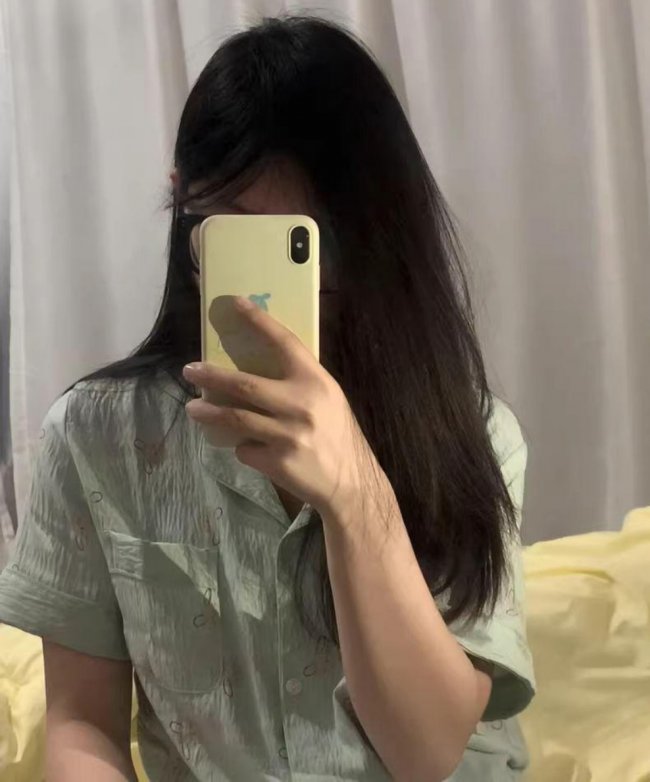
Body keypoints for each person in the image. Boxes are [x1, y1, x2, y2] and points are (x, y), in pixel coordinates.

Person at [0, 14, 536, 782]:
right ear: (185, 211)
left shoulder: (471, 435)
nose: (289, 293)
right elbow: (81, 720)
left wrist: (355, 496)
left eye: (310, 244)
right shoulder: (95, 439)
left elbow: (428, 753)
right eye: (243, 238)